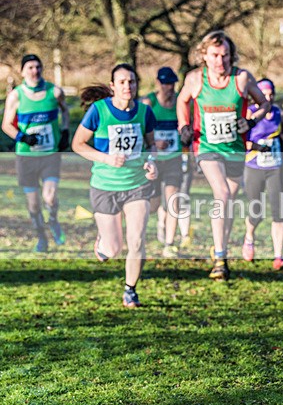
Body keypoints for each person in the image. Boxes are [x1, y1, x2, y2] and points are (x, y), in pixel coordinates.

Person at [176, 30, 273, 280]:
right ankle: (220, 258)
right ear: (204, 56)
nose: (220, 61)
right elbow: (182, 100)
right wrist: (183, 125)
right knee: (221, 193)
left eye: (225, 55)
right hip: (206, 147)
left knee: (228, 198)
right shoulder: (196, 79)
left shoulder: (241, 79)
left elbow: (264, 104)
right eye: (215, 55)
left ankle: (222, 249)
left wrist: (251, 122)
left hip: (235, 150)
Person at [72, 64, 159, 308]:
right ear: (112, 87)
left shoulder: (145, 112)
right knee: (113, 249)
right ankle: (103, 240)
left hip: (137, 186)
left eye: (131, 81)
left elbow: (152, 145)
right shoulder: (98, 111)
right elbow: (78, 144)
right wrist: (106, 158)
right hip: (104, 185)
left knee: (138, 240)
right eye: (121, 82)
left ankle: (130, 290)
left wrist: (152, 162)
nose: (127, 86)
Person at [2, 54, 70, 252]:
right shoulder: (16, 95)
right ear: (23, 71)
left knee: (49, 197)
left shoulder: (54, 92)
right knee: (33, 204)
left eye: (38, 67)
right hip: (26, 156)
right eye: (30, 67)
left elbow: (65, 111)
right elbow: (6, 124)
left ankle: (54, 221)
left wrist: (65, 131)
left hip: (50, 155)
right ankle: (41, 237)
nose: (35, 71)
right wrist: (22, 137)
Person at [241, 78, 283, 269]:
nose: (269, 97)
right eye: (264, 94)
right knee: (256, 212)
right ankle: (249, 237)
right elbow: (242, 142)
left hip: (275, 167)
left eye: (271, 93)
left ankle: (278, 256)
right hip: (254, 167)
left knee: (278, 212)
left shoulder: (278, 113)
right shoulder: (249, 114)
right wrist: (257, 146)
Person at [141, 66, 183, 258]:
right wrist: (154, 142)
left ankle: (169, 243)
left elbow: (186, 126)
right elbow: (138, 130)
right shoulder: (148, 102)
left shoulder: (180, 103)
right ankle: (160, 222)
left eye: (172, 83)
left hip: (174, 160)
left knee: (173, 199)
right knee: (154, 205)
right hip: (154, 161)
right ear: (158, 83)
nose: (169, 87)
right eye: (165, 83)